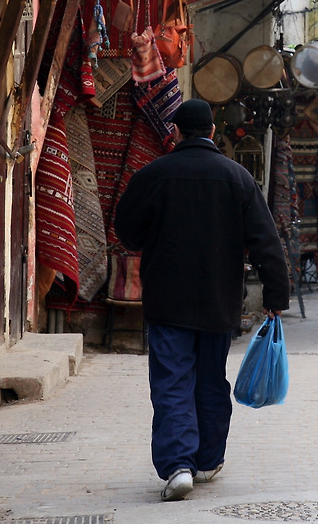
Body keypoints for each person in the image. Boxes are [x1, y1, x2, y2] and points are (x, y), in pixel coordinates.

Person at [114, 99, 290, 502]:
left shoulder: (154, 174)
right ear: (212, 132)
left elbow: (127, 231)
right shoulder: (238, 177)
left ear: (175, 132)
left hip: (167, 300)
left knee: (172, 380)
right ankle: (208, 460)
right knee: (210, 379)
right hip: (218, 301)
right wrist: (275, 297)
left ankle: (179, 466)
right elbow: (266, 242)